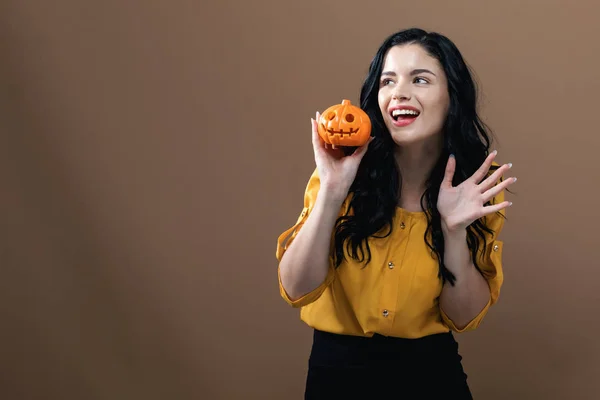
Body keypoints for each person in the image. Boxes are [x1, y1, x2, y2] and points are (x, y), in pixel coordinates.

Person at [275, 28, 516, 399]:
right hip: (336, 374)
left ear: (452, 97)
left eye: (420, 79)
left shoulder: (474, 192)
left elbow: (464, 318)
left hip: (431, 374)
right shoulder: (341, 172)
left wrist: (454, 231)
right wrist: (332, 193)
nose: (399, 93)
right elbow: (296, 288)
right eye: (388, 81)